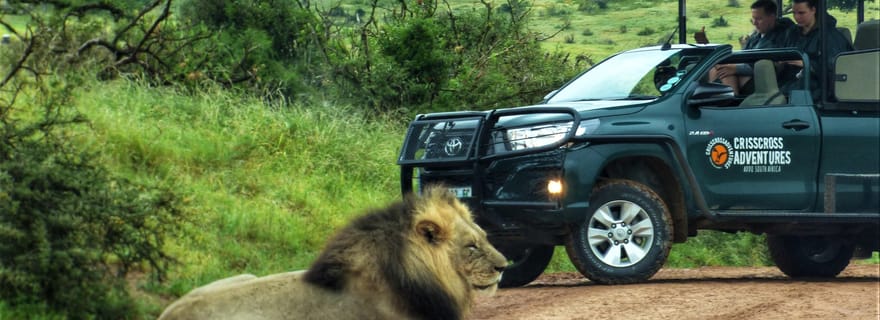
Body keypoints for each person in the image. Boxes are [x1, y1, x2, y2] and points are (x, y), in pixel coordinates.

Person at [710, 0, 794, 95]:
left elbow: (767, 64)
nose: (754, 23)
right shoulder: (755, 36)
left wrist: (736, 69)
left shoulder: (780, 36)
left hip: (765, 79)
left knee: (724, 72)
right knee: (716, 67)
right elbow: (744, 56)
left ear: (772, 17)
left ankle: (730, 103)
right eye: (753, 19)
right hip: (748, 73)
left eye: (759, 19)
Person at [781, 0, 853, 100]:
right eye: (794, 13)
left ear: (813, 10)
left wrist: (808, 64)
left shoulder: (829, 36)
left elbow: (836, 69)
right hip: (790, 83)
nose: (796, 17)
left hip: (817, 91)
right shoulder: (792, 33)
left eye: (801, 13)